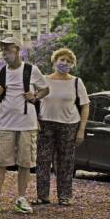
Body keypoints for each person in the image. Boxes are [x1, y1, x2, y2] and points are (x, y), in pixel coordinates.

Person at [0, 37, 49, 215]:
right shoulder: (1, 72)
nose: (5, 52)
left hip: (27, 123)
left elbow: (45, 89)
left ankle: (21, 198)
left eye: (8, 48)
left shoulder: (31, 70)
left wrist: (35, 95)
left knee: (25, 161)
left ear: (17, 49)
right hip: (5, 122)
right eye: (3, 50)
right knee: (0, 162)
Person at [34, 48, 89, 206]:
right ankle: (42, 196)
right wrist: (36, 120)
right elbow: (34, 101)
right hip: (45, 124)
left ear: (72, 64)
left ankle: (65, 196)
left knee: (65, 162)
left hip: (69, 125)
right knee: (43, 161)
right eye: (62, 60)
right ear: (55, 61)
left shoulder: (76, 82)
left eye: (69, 61)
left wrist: (81, 130)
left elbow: (85, 106)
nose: (65, 63)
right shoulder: (43, 80)